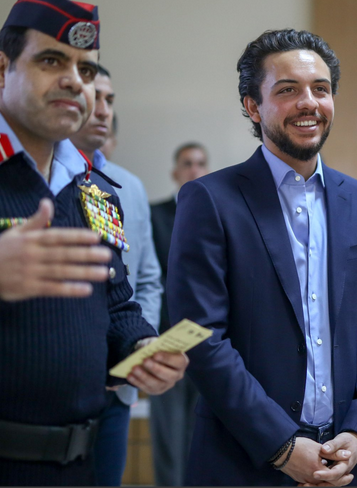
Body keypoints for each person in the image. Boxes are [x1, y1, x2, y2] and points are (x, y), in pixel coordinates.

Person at [0, 0, 187, 486]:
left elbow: (116, 304)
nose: (75, 81)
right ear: (1, 69)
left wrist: (142, 346)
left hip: (81, 464)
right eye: (51, 60)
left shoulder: (96, 190)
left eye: (86, 69)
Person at [166, 29, 357, 486]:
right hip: (241, 459)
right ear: (253, 106)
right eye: (288, 90)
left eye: (321, 89)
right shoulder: (209, 199)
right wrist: (281, 445)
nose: (308, 103)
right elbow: (200, 336)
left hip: (344, 461)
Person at [69, 65, 163, 485]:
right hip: (57, 379)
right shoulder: (39, 177)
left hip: (117, 383)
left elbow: (133, 284)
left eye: (110, 100)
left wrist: (137, 349)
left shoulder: (113, 188)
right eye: (96, 97)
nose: (104, 110)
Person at [149, 142, 208, 486]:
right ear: (175, 172)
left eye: (200, 163)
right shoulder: (154, 215)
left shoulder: (219, 215)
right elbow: (150, 278)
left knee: (202, 438)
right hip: (166, 340)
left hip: (209, 344)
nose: (194, 169)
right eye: (187, 163)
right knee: (169, 439)